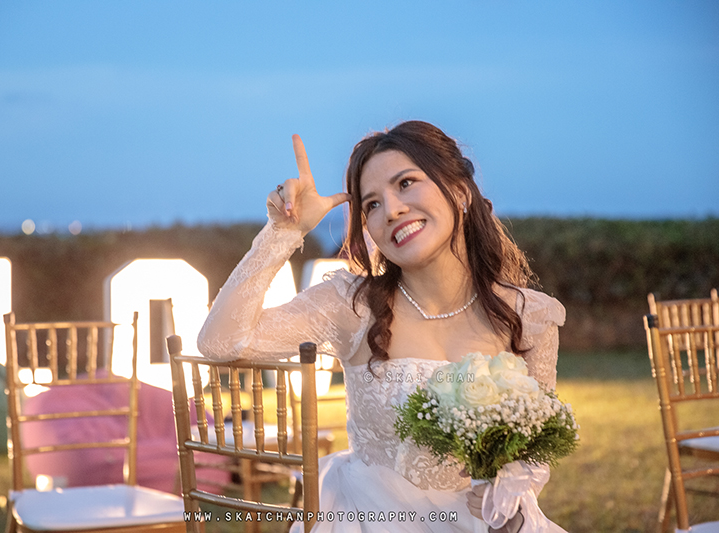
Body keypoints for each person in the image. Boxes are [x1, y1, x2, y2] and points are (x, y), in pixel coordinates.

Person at [197, 121, 566, 533]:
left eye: (406, 183)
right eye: (371, 204)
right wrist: (282, 233)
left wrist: (507, 499)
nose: (391, 210)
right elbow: (220, 342)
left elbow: (535, 453)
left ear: (460, 191)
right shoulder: (351, 304)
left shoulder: (529, 316)